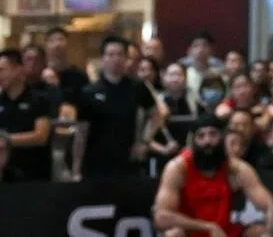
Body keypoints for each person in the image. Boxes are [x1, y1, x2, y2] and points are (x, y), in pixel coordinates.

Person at [153, 115, 273, 237]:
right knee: (174, 234)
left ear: (222, 137)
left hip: (223, 232)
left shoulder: (236, 168)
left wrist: (269, 234)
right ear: (194, 141)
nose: (207, 141)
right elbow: (161, 217)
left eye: (213, 134)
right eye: (201, 136)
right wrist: (207, 227)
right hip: (191, 232)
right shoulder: (178, 168)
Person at [76, 34, 162, 178]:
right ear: (102, 59)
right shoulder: (89, 92)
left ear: (126, 59)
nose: (115, 59)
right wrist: (76, 168)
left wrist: (145, 141)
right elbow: (81, 132)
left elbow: (156, 114)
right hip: (96, 163)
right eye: (110, 55)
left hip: (128, 162)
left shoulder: (138, 87)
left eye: (120, 54)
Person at [0, 48, 52, 180]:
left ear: (18, 69)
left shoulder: (39, 99)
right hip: (5, 175)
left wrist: (7, 140)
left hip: (34, 174)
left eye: (2, 70)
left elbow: (41, 136)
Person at [44, 26, 89, 106]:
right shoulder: (39, 74)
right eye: (52, 41)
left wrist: (56, 86)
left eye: (60, 39)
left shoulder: (79, 76)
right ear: (46, 46)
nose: (57, 44)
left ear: (68, 44)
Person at [182, 32, 225, 103]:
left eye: (205, 45)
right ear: (189, 51)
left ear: (211, 50)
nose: (201, 49)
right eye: (196, 46)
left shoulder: (219, 74)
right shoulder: (184, 74)